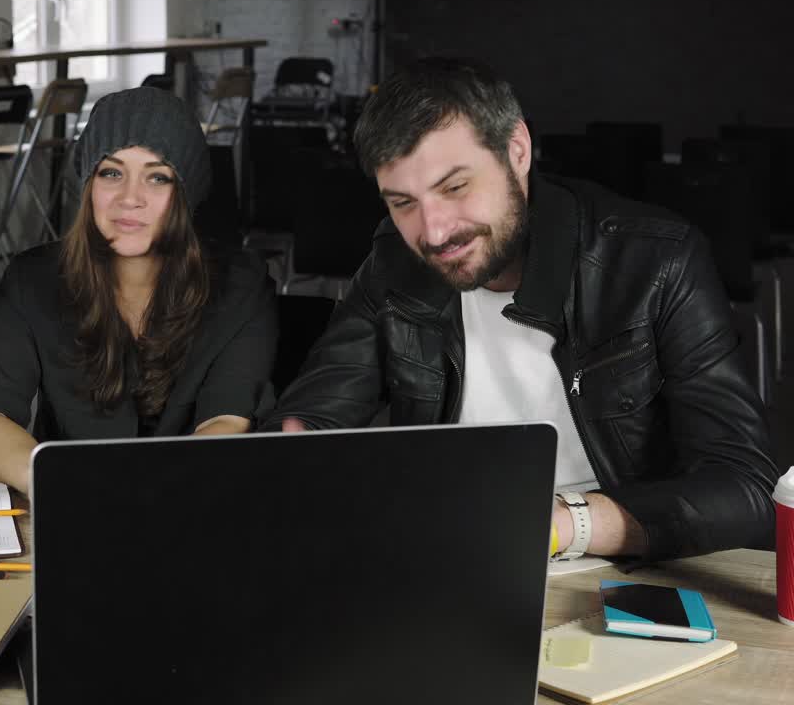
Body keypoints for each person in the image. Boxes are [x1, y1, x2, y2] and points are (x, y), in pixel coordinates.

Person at [268, 58, 778, 562]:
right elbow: (313, 418)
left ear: (517, 150)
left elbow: (745, 487)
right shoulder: (394, 263)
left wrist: (557, 524)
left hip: (620, 567)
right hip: (446, 557)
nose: (434, 231)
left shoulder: (657, 261)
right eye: (403, 202)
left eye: (455, 187)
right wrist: (293, 453)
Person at [0, 87, 278, 494]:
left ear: (185, 194)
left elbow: (226, 421)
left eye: (157, 177)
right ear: (89, 184)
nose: (130, 199)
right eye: (111, 172)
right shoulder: (32, 279)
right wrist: (62, 485)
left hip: (192, 500)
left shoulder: (241, 285)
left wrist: (148, 493)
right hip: (71, 506)